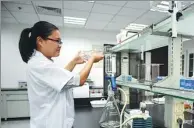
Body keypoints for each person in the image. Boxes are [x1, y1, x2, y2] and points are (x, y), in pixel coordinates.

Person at [18, 21, 104, 128]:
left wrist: (73, 62)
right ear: (40, 41)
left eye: (60, 42)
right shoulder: (40, 65)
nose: (60, 45)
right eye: (57, 41)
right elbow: (80, 80)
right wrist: (92, 59)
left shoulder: (40, 63)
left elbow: (60, 80)